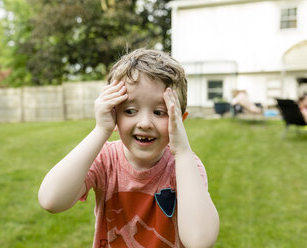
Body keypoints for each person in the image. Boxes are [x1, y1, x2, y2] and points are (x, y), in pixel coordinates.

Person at [38, 49, 219, 248]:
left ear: (180, 121)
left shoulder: (186, 166)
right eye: (130, 111)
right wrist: (101, 130)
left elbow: (200, 241)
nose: (144, 123)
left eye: (159, 112)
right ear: (114, 115)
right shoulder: (105, 160)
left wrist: (183, 152)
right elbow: (51, 200)